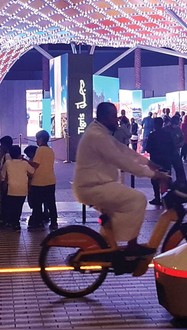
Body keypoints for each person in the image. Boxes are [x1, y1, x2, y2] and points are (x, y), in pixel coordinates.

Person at [73, 102, 171, 257]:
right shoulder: (97, 136)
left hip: (96, 186)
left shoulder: (99, 132)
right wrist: (154, 175)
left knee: (118, 209)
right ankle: (131, 246)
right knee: (137, 199)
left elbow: (122, 150)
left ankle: (108, 245)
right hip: (93, 188)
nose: (117, 119)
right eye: (114, 116)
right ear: (104, 117)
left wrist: (148, 163)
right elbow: (122, 160)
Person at [26, 130, 58, 230]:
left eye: (37, 139)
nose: (36, 141)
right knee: (51, 202)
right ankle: (54, 222)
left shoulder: (40, 150)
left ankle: (38, 222)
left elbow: (36, 164)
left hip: (39, 181)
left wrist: (25, 161)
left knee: (37, 203)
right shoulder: (50, 150)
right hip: (50, 180)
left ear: (40, 139)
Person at [0, 145, 34, 230]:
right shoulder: (25, 163)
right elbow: (32, 171)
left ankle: (12, 222)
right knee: (19, 206)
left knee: (11, 206)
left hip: (11, 188)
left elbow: (3, 175)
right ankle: (16, 222)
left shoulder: (7, 163)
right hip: (22, 188)